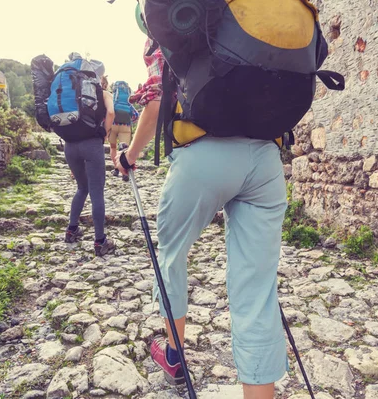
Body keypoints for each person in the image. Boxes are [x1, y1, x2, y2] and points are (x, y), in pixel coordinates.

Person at [116, 37, 288, 399]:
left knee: (173, 255)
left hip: (202, 151)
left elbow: (156, 101)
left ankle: (175, 355)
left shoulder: (180, 19)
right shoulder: (255, 16)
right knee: (257, 288)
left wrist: (129, 157)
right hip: (266, 159)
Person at [52, 53, 115, 257]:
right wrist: (104, 133)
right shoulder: (102, 92)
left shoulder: (72, 91)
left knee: (81, 188)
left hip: (70, 145)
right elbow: (112, 113)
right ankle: (100, 241)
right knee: (97, 192)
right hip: (92, 145)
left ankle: (71, 230)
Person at [108, 80, 139, 182]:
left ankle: (116, 169)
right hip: (125, 126)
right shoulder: (128, 104)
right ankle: (124, 173)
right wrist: (130, 121)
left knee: (113, 148)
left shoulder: (112, 101)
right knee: (123, 149)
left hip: (113, 125)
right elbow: (136, 115)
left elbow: (108, 113)